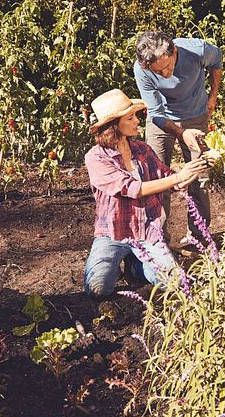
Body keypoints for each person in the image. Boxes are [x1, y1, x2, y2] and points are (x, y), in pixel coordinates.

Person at [83, 89, 209, 297]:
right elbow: (132, 189)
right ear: (113, 126)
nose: (137, 122)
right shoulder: (96, 158)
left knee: (174, 283)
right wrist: (177, 177)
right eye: (130, 118)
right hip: (113, 232)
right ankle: (117, 261)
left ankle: (135, 266)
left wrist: (197, 167)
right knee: (97, 289)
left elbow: (171, 181)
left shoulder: (143, 149)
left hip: (146, 230)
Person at [133, 31, 222, 241]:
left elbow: (217, 60)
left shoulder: (197, 50)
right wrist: (182, 133)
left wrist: (213, 97)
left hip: (196, 116)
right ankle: (158, 239)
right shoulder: (142, 70)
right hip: (162, 121)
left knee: (199, 177)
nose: (165, 74)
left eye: (167, 66)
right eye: (158, 71)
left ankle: (199, 235)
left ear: (175, 51)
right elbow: (155, 113)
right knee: (155, 178)